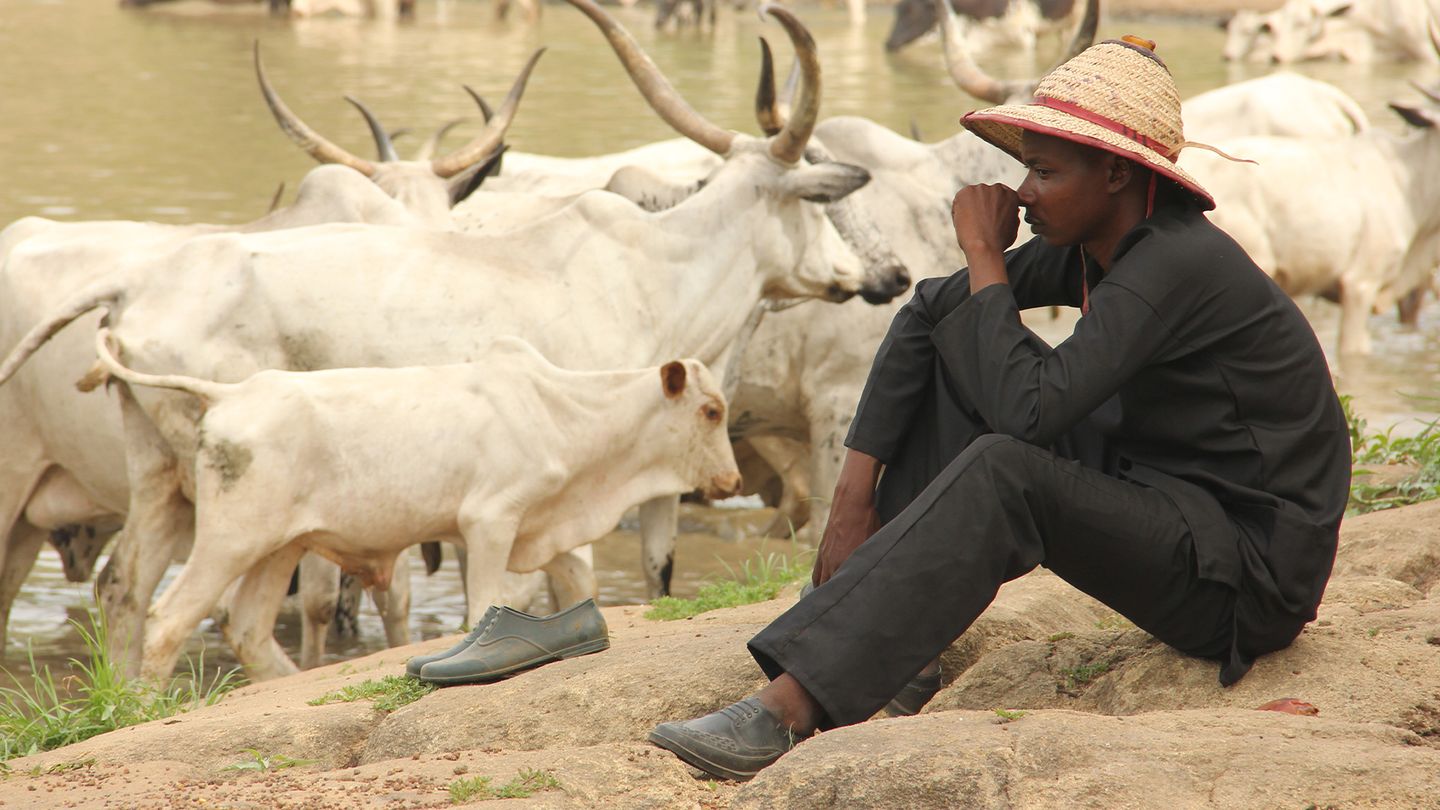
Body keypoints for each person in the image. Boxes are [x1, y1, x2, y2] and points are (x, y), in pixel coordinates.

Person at [646, 36, 1351, 782]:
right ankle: (895, 649)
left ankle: (791, 710)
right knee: (962, 351)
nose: (1023, 193)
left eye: (1045, 172)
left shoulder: (1175, 264)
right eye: (1026, 169)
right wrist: (851, 504)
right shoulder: (1102, 239)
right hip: (1168, 488)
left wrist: (984, 254)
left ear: (1116, 173)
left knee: (1004, 464)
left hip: (1244, 575)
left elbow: (1028, 418)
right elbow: (927, 312)